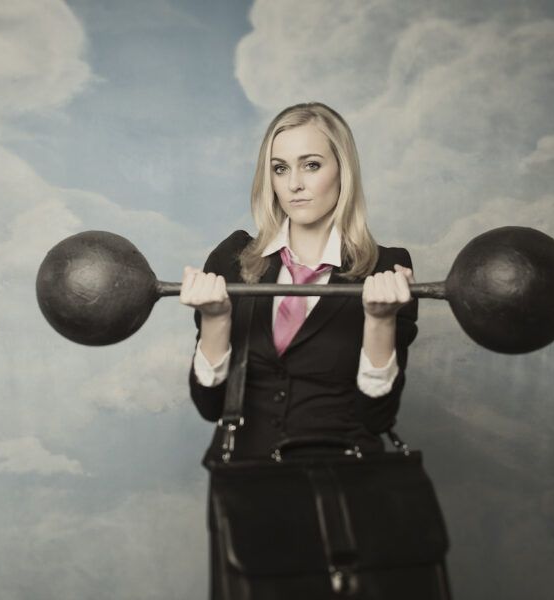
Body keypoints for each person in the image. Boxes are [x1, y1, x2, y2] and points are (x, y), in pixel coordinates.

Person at [180, 102, 420, 596]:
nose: (294, 184)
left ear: (342, 171)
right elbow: (209, 406)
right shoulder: (233, 260)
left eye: (311, 165)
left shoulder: (385, 269)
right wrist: (216, 321)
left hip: (345, 496)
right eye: (280, 168)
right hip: (246, 495)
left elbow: (377, 416)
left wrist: (379, 322)